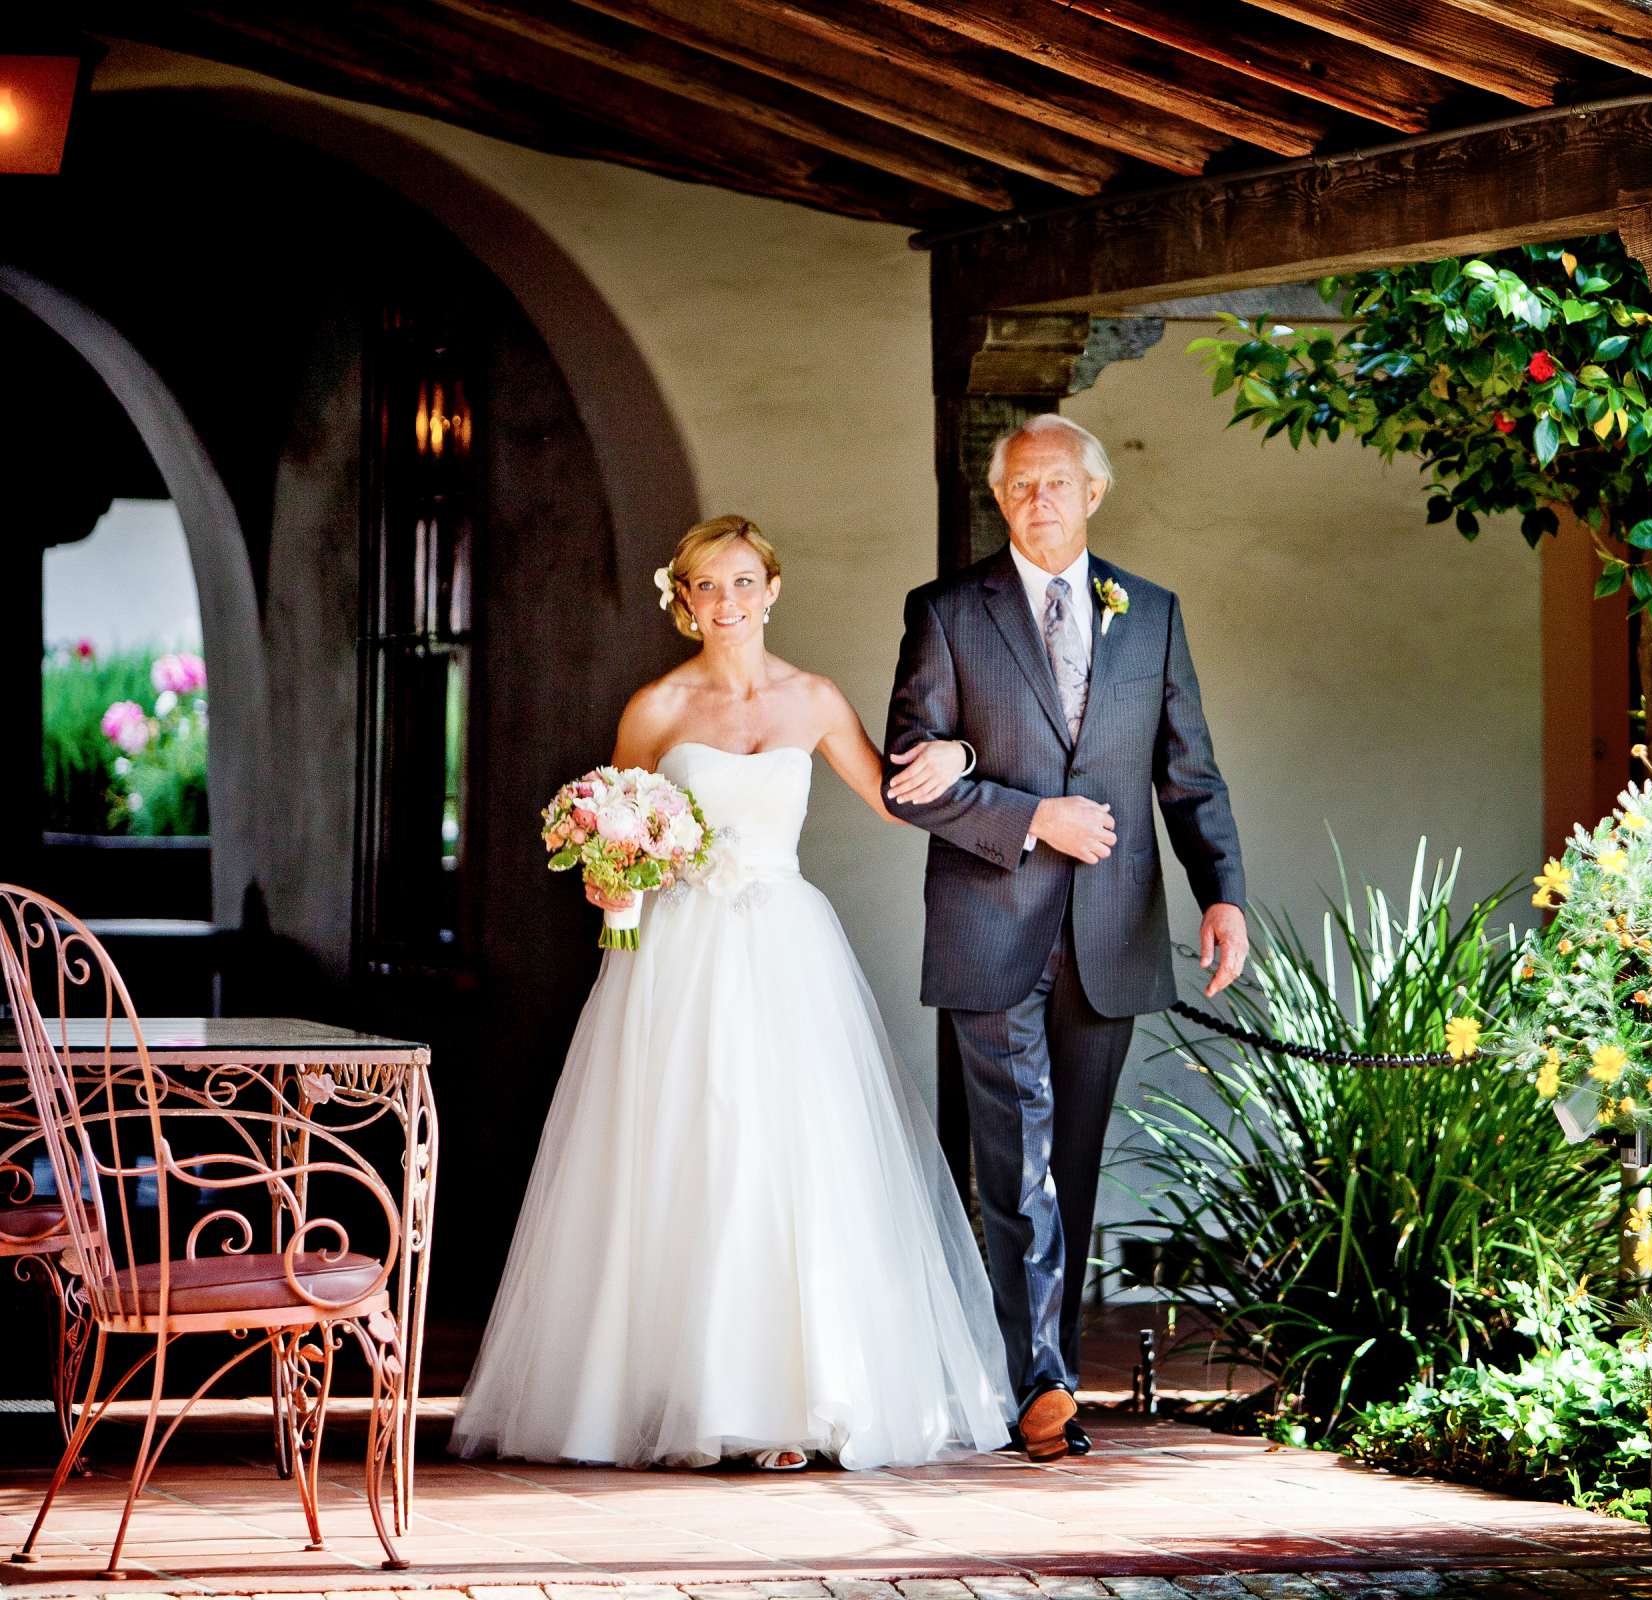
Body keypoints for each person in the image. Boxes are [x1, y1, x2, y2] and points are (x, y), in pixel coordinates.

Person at [451, 515, 1012, 1471]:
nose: (729, 602)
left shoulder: (816, 698)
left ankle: (799, 1404)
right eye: (708, 586)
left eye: (744, 582)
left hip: (789, 950)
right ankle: (699, 1397)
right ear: (685, 601)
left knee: (797, 1160)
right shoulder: (657, 708)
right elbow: (615, 835)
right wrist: (610, 875)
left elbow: (893, 799)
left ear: (772, 589)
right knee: (692, 1155)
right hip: (679, 954)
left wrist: (959, 757)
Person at [881, 413, 1248, 1462]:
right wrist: (1032, 816)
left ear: (1094, 492)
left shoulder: (1153, 613)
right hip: (989, 925)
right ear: (1000, 500)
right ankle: (1041, 1382)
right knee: (1019, 1155)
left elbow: (1190, 772)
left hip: (1111, 931)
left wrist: (1221, 891)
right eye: (1019, 487)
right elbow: (911, 778)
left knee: (1070, 1158)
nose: (1037, 500)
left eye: (1056, 483)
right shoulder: (948, 612)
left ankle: (1035, 1362)